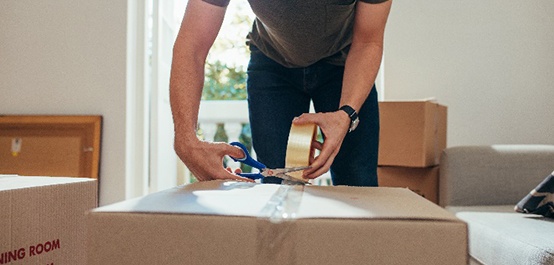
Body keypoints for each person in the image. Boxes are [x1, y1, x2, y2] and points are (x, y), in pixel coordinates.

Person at [170, 0, 392, 186]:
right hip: (272, 62)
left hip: (346, 64)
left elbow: (368, 41)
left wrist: (346, 114)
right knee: (276, 185)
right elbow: (192, 44)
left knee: (359, 185)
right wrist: (186, 140)